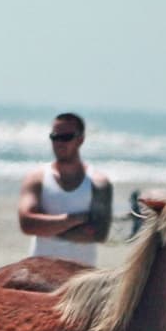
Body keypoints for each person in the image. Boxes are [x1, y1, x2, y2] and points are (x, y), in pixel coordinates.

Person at [19, 112, 112, 264]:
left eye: (66, 137)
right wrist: (75, 220)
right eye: (55, 137)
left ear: (80, 139)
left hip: (80, 280)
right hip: (38, 275)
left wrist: (46, 226)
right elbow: (27, 224)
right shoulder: (36, 178)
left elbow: (99, 234)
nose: (59, 143)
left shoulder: (98, 182)